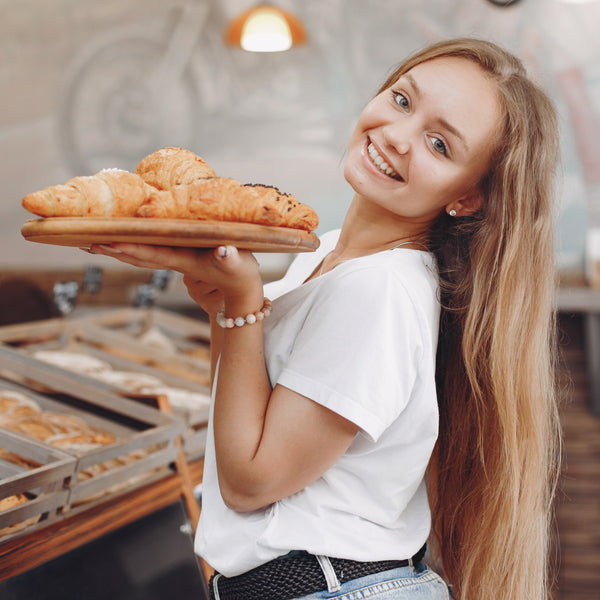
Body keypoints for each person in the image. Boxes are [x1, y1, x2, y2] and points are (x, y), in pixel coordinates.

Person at [90, 37, 562, 600]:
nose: (396, 137)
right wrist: (224, 305)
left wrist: (243, 304)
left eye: (439, 144)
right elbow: (249, 409)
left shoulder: (379, 290)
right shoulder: (329, 252)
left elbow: (252, 481)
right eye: (403, 101)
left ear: (469, 196)